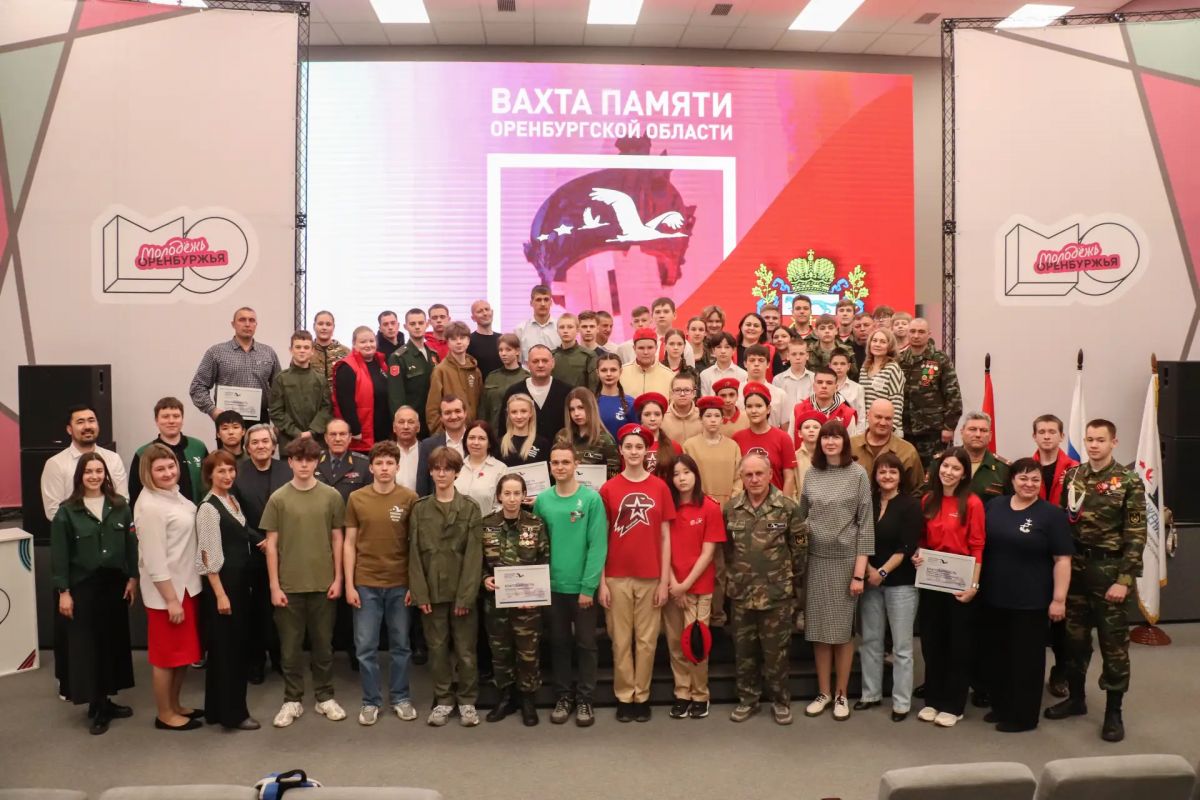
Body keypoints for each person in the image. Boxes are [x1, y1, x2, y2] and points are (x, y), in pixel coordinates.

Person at [1045, 420, 1146, 743]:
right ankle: (1077, 698)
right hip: (1075, 572)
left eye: (1100, 440)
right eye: (1089, 439)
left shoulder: (1129, 481)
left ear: (1113, 443)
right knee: (1074, 641)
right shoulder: (1073, 476)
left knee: (1113, 646)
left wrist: (1124, 580)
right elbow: (1062, 521)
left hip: (1109, 573)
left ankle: (1114, 712)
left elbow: (1136, 535)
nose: (1093, 445)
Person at [981, 458, 1073, 732]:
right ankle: (1001, 706)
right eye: (1023, 478)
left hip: (1030, 600)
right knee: (997, 655)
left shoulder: (1051, 515)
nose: (1029, 484)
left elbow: (1062, 560)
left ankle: (1023, 717)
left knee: (1026, 660)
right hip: (994, 596)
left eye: (1035, 479)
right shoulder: (995, 506)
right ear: (1012, 480)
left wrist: (1059, 600)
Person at [263, 437, 348, 728]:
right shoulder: (278, 498)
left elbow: (337, 539)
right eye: (298, 460)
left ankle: (325, 697)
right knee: (290, 649)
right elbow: (271, 545)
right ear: (289, 462)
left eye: (309, 460)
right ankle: (292, 700)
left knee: (324, 647)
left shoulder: (331, 496)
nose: (304, 465)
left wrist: (338, 578)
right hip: (289, 586)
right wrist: (274, 586)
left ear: (317, 462)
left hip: (323, 584)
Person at [50, 453, 137, 735]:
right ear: (80, 476)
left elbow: (131, 545)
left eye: (99, 471)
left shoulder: (120, 506)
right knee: (88, 647)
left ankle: (106, 699)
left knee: (111, 643)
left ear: (105, 475)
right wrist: (64, 592)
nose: (94, 476)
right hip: (83, 586)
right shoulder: (67, 511)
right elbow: (60, 555)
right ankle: (97, 706)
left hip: (113, 585)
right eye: (88, 471)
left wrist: (133, 577)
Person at [723, 453, 807, 724]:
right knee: (744, 652)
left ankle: (781, 701)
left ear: (770, 475)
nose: (754, 479)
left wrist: (788, 578)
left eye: (759, 473)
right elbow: (727, 550)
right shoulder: (731, 509)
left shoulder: (788, 507)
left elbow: (800, 546)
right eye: (748, 474)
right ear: (741, 477)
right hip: (742, 593)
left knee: (777, 653)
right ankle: (748, 699)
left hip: (776, 595)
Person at [599, 423, 675, 723]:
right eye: (628, 447)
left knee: (646, 641)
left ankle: (641, 696)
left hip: (650, 575)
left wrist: (664, 581)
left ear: (646, 451)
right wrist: (601, 582)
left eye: (639, 447)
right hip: (616, 576)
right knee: (620, 641)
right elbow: (601, 538)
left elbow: (666, 537)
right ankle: (624, 695)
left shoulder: (660, 487)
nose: (633, 451)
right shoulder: (608, 489)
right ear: (621, 450)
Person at [799, 420, 874, 722]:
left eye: (836, 437)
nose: (830, 442)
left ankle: (841, 693)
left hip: (845, 562)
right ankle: (824, 692)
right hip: (815, 560)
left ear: (845, 441)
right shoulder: (811, 473)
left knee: (842, 632)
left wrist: (859, 573)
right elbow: (801, 518)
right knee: (818, 631)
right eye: (825, 437)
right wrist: (797, 556)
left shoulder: (858, 474)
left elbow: (865, 525)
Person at [343, 440, 420, 727]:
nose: (384, 468)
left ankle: (400, 697)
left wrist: (414, 584)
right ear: (371, 468)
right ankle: (371, 701)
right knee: (365, 647)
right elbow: (349, 543)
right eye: (379, 463)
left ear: (397, 467)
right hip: (365, 582)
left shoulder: (410, 498)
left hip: (400, 582)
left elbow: (415, 544)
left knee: (401, 645)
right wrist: (349, 584)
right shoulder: (357, 499)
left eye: (390, 463)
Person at [408, 446, 485, 727]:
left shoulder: (470, 508)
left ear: (456, 473)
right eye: (436, 469)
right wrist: (420, 594)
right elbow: (414, 555)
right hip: (432, 592)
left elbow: (474, 556)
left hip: (461, 591)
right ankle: (443, 700)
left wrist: (466, 597)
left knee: (466, 651)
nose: (441, 474)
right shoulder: (420, 508)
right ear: (430, 472)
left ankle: (467, 701)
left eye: (447, 469)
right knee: (437, 650)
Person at [533, 443, 607, 727]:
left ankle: (586, 699)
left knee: (586, 644)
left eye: (565, 462)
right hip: (553, 587)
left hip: (582, 588)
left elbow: (597, 545)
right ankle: (563, 697)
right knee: (559, 644)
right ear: (549, 467)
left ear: (576, 465)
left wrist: (588, 588)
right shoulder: (543, 500)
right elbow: (536, 546)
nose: (560, 467)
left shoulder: (591, 499)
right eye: (555, 463)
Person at [913, 446, 985, 728]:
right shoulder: (928, 500)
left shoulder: (973, 503)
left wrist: (974, 585)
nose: (949, 472)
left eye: (956, 468)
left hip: (959, 585)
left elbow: (978, 546)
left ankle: (954, 705)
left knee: (957, 645)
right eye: (945, 466)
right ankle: (933, 699)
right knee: (932, 643)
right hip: (932, 582)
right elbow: (922, 539)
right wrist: (918, 556)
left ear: (964, 473)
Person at [134, 443, 203, 731]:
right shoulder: (150, 506)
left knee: (182, 654)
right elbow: (154, 561)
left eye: (171, 466)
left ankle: (176, 705)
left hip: (187, 586)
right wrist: (171, 600)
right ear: (147, 472)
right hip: (168, 594)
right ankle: (165, 713)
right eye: (160, 469)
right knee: (166, 657)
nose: (168, 473)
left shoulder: (173, 494)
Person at [194, 451, 258, 731]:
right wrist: (220, 594)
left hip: (238, 584)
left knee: (229, 649)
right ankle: (234, 715)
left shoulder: (231, 500)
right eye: (221, 471)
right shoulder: (209, 508)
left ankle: (216, 710)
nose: (228, 475)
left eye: (231, 470)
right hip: (223, 586)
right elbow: (208, 556)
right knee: (228, 652)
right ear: (209, 475)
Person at [480, 474, 550, 726]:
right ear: (499, 496)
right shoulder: (486, 524)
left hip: (527, 605)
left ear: (524, 496)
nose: (511, 499)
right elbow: (477, 561)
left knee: (528, 654)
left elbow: (544, 560)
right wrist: (484, 579)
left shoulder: (535, 524)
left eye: (517, 493)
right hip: (496, 603)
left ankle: (528, 701)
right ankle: (506, 698)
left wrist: (537, 594)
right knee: (500, 653)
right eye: (507, 493)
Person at [857, 453, 922, 722]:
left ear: (900, 476)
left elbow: (907, 546)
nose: (887, 476)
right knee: (870, 641)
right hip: (870, 581)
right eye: (882, 471)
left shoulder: (910, 505)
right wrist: (869, 572)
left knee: (902, 647)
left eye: (892, 472)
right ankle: (870, 694)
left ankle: (901, 703)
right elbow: (860, 538)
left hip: (901, 584)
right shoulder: (868, 502)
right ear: (875, 475)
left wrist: (882, 572)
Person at [662, 455, 726, 719]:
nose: (681, 478)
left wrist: (685, 586)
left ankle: (700, 694)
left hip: (699, 587)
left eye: (686, 472)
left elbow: (708, 553)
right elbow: (662, 547)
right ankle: (682, 693)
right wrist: (674, 586)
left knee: (696, 643)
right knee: (676, 644)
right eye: (676, 474)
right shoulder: (667, 508)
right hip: (671, 585)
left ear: (696, 475)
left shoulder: (710, 507)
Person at [232, 423, 291, 683]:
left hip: (286, 551)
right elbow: (235, 514)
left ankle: (280, 658)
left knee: (283, 609)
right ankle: (255, 661)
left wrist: (278, 540)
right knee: (255, 609)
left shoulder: (287, 470)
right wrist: (262, 540)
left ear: (274, 445)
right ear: (247, 448)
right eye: (254, 442)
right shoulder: (237, 473)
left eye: (265, 441)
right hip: (253, 552)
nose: (260, 446)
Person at [683, 395, 742, 628]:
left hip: (726, 512)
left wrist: (730, 504)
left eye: (717, 415)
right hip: (698, 511)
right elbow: (686, 478)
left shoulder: (732, 446)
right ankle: (695, 614)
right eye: (708, 416)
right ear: (701, 419)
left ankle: (717, 614)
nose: (713, 420)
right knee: (698, 562)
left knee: (720, 566)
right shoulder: (690, 445)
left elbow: (738, 478)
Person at [1032, 413, 1079, 698]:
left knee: (1064, 623)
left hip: (1064, 552)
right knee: (1033, 620)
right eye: (1042, 431)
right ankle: (1028, 674)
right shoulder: (1024, 469)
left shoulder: (1076, 470)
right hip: (1034, 553)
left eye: (1052, 431)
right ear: (1034, 436)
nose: (1047, 436)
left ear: (1062, 436)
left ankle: (1060, 673)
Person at [190, 306, 281, 423]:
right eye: (242, 320)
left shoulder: (268, 353)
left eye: (251, 320)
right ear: (233, 324)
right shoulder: (216, 352)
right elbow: (198, 386)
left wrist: (279, 420)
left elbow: (279, 390)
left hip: (260, 419)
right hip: (227, 419)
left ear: (256, 325)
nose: (247, 324)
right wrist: (212, 410)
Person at [42, 405, 129, 523]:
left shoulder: (113, 459)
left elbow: (122, 500)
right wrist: (86, 528)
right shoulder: (55, 464)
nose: (87, 426)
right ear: (69, 429)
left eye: (91, 421)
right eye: (80, 422)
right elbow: (53, 511)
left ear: (98, 426)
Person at [900, 317, 962, 469]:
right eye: (912, 331)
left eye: (921, 332)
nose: (916, 335)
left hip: (932, 431)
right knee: (906, 470)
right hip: (905, 430)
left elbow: (953, 394)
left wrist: (949, 427)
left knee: (933, 471)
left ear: (929, 334)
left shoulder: (940, 359)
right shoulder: (899, 359)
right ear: (907, 333)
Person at [129, 397, 208, 508]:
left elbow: (209, 484)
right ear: (156, 421)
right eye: (165, 416)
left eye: (176, 416)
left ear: (182, 419)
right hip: (160, 515)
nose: (171, 421)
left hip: (197, 513)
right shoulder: (143, 453)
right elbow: (135, 493)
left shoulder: (198, 447)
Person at [270, 330, 333, 452]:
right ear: (291, 350)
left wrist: (312, 431)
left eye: (306, 347)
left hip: (316, 440)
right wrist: (296, 433)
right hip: (290, 440)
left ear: (312, 351)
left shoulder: (320, 378)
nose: (302, 351)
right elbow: (276, 411)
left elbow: (327, 408)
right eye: (298, 347)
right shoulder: (281, 378)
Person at [927, 412, 1010, 502]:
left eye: (983, 430)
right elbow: (928, 496)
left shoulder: (1003, 469)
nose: (978, 435)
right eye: (972, 429)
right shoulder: (941, 461)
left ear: (990, 435)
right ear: (961, 432)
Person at [333, 326, 391, 453]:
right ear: (354, 344)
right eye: (363, 342)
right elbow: (345, 402)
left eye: (371, 341)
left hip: (382, 430)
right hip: (361, 434)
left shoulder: (381, 362)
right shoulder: (347, 367)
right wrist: (355, 430)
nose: (368, 345)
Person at [733, 383, 797, 496]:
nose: (754, 411)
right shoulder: (737, 438)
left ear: (768, 409)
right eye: (749, 406)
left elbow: (789, 478)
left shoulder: (783, 438)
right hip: (744, 503)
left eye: (759, 406)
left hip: (775, 502)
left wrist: (784, 504)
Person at [386, 308, 442, 437]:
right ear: (405, 327)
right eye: (412, 324)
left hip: (433, 421)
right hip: (411, 424)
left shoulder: (433, 355)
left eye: (421, 323)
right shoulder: (398, 357)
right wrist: (401, 424)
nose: (417, 327)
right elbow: (396, 397)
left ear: (427, 324)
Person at [851, 400, 924, 496]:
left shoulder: (907, 451)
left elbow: (917, 491)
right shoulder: (850, 445)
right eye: (878, 417)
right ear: (868, 415)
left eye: (888, 418)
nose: (883, 423)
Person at [500, 345, 573, 439]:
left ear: (553, 363)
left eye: (545, 361)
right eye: (535, 361)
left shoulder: (566, 391)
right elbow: (503, 427)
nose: (540, 365)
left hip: (559, 447)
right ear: (528, 364)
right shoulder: (514, 392)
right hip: (522, 447)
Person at [427, 320, 482, 434]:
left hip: (472, 434)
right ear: (447, 342)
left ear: (468, 341)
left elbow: (481, 404)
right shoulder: (440, 370)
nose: (459, 342)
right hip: (449, 433)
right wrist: (440, 435)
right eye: (453, 339)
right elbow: (433, 408)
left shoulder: (475, 371)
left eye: (462, 338)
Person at [557, 387, 619, 479]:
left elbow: (614, 477)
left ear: (591, 408)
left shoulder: (605, 440)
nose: (576, 413)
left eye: (581, 408)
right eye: (572, 409)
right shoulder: (562, 436)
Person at [416, 395, 470, 497]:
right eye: (448, 413)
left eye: (457, 411)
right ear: (441, 417)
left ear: (465, 413)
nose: (453, 416)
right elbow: (423, 484)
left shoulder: (478, 442)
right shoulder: (429, 445)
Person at [479, 333, 529, 434]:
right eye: (500, 350)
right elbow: (484, 408)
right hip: (495, 432)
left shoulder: (527, 378)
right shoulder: (492, 377)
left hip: (519, 431)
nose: (503, 354)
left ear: (517, 351)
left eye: (508, 350)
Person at [792, 369, 857, 446]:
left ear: (836, 387)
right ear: (813, 386)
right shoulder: (798, 409)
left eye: (829, 383)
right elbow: (790, 441)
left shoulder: (847, 414)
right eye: (819, 382)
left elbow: (851, 446)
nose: (824, 386)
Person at [860, 328, 905, 436]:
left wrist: (891, 428)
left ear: (890, 346)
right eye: (874, 340)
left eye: (883, 342)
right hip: (867, 426)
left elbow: (897, 401)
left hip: (887, 427)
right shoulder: (865, 367)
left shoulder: (892, 368)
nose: (877, 344)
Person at [457, 420, 506, 515]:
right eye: (471, 438)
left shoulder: (500, 469)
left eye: (482, 438)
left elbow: (501, 506)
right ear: (465, 441)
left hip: (487, 523)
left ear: (489, 443)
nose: (476, 442)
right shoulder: (457, 466)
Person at [316, 419, 373, 502]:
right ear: (326, 438)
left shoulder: (364, 465)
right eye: (333, 434)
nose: (337, 439)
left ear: (349, 438)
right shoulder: (314, 462)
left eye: (342, 434)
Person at [633, 392, 682, 478]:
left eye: (657, 414)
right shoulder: (631, 446)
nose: (652, 419)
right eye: (647, 414)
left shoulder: (674, 447)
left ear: (662, 417)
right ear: (640, 417)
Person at [496, 394, 552, 469]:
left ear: (531, 413)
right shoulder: (499, 444)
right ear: (508, 414)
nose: (519, 416)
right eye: (514, 412)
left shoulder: (542, 444)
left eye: (523, 411)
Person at [740, 345, 788, 430]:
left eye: (761, 360)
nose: (756, 364)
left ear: (768, 364)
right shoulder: (736, 392)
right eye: (752, 360)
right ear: (745, 364)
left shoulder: (780, 394)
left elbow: (785, 427)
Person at [621, 328, 676, 397]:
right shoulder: (621, 373)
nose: (646, 352)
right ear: (634, 348)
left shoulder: (669, 375)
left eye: (650, 348)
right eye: (641, 348)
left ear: (656, 348)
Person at [551, 313, 599, 391]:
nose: (565, 331)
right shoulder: (550, 356)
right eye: (562, 327)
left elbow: (594, 386)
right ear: (557, 331)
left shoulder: (589, 356)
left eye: (570, 327)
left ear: (577, 330)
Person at [773, 335, 814, 427]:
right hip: (785, 425)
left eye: (801, 354)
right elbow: (776, 407)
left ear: (807, 356)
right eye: (794, 354)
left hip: (809, 425)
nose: (798, 357)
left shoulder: (814, 378)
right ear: (788, 356)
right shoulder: (778, 379)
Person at [595, 352, 635, 439]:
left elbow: (637, 433)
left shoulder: (631, 403)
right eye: (604, 370)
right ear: (597, 373)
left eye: (613, 370)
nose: (609, 374)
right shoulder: (590, 402)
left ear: (620, 371)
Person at [513, 284, 560, 359]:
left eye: (546, 300)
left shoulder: (560, 328)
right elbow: (516, 359)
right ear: (531, 303)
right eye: (538, 300)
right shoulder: (520, 330)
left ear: (551, 303)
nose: (543, 304)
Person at [311, 310, 350, 389]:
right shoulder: (306, 351)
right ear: (314, 326)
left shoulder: (345, 352)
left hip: (338, 396)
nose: (324, 328)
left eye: (328, 324)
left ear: (333, 327)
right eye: (320, 324)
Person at [699, 332, 747, 396]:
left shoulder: (743, 374)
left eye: (727, 347)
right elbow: (705, 399)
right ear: (713, 350)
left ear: (734, 350)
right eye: (719, 347)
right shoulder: (705, 374)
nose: (723, 351)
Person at [735, 312, 781, 378]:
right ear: (741, 327)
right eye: (748, 325)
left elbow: (778, 379)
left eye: (756, 326)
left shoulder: (770, 351)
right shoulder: (731, 350)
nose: (752, 328)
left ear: (762, 330)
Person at [829, 352, 866, 432]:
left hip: (851, 431)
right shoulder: (823, 387)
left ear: (848, 366)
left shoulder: (857, 388)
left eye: (842, 364)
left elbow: (861, 417)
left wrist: (858, 437)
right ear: (830, 365)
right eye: (835, 364)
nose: (839, 367)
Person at [662, 372, 702, 444]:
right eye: (677, 390)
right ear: (671, 394)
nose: (682, 394)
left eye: (687, 390)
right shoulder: (662, 418)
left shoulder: (702, 416)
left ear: (694, 393)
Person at [793, 409, 826, 495]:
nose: (811, 430)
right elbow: (793, 489)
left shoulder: (828, 456)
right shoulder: (794, 457)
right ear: (800, 433)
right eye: (807, 427)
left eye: (816, 427)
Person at [467, 300, 502, 379]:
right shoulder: (468, 342)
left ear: (492, 312)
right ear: (473, 318)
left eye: (487, 309)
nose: (485, 313)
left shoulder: (502, 339)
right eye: (480, 311)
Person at [392, 407, 422, 492]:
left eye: (411, 422)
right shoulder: (386, 453)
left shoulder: (426, 451)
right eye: (401, 422)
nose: (406, 427)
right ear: (394, 427)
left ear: (418, 427)